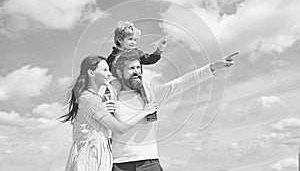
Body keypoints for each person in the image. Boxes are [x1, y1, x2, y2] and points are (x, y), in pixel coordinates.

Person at [111, 50, 239, 171]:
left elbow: (182, 82)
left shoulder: (151, 94)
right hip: (120, 165)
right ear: (120, 72)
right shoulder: (111, 97)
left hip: (149, 163)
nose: (136, 72)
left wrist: (212, 67)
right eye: (131, 68)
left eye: (138, 68)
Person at [61, 55, 156, 171]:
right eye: (105, 70)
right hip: (91, 159)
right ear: (91, 73)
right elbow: (119, 129)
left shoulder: (94, 99)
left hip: (99, 156)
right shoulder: (89, 99)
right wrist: (144, 112)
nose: (110, 74)